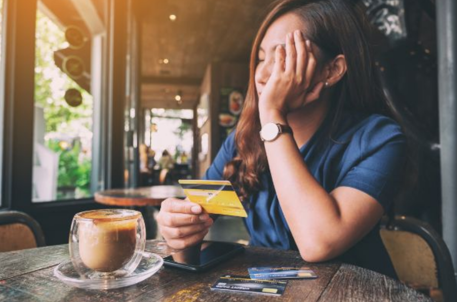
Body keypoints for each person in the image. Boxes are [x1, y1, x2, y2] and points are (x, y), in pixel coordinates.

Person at [157, 0, 406, 278]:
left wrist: (272, 115)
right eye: (262, 57)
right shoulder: (243, 141)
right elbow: (190, 238)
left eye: (283, 58)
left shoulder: (379, 139)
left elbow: (318, 243)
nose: (262, 74)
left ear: (332, 70)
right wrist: (178, 229)